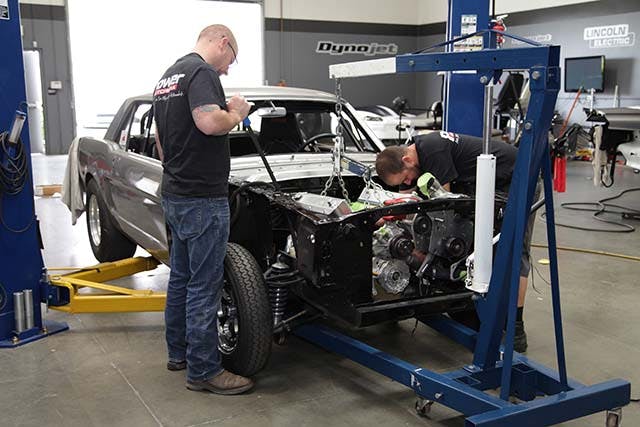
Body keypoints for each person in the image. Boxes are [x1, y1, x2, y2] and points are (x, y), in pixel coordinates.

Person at [153, 24, 252, 394]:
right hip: (202, 198)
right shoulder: (202, 72)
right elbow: (209, 122)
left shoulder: (168, 77)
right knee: (204, 285)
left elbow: (161, 142)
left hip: (176, 192)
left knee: (181, 278)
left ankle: (178, 353)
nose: (226, 70)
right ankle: (205, 370)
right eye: (231, 60)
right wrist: (236, 112)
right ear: (222, 43)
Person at [375, 131, 537, 353]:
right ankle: (477, 307)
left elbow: (445, 209)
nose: (408, 182)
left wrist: (422, 251)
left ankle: (516, 327)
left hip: (517, 178)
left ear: (407, 160)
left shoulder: (433, 151)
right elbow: (406, 200)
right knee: (479, 244)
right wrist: (383, 217)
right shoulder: (413, 156)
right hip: (486, 182)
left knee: (512, 249)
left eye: (405, 178)